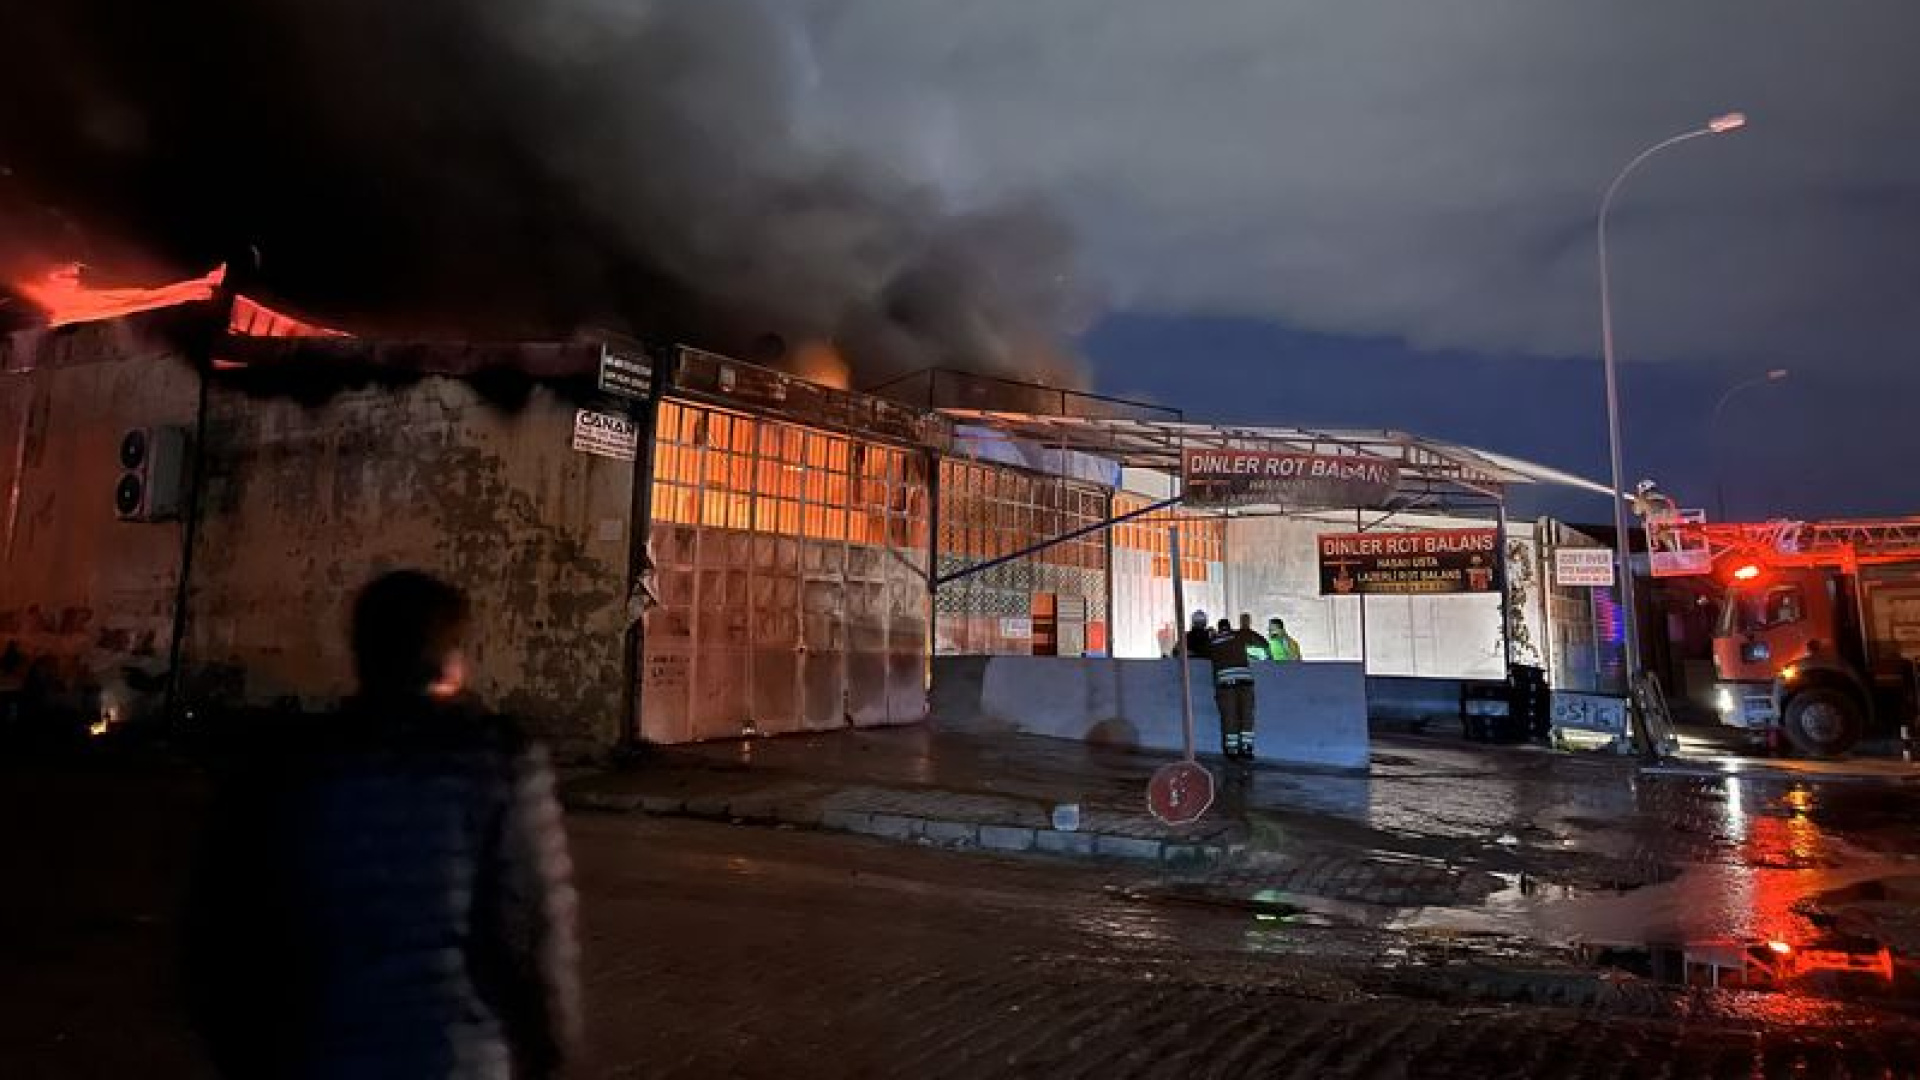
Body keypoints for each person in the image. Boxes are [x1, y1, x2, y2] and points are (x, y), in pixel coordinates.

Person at [187, 570, 582, 1080]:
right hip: (456, 1057)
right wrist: (547, 1049)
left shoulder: (286, 768)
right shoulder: (498, 764)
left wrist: (248, 1055)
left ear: (360, 656)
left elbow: (224, 935)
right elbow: (531, 931)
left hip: (321, 1054)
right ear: (452, 662)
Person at [1208, 615, 1267, 761]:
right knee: (1247, 716)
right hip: (1245, 682)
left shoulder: (1213, 641)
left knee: (1230, 717)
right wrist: (1246, 628)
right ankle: (1247, 749)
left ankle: (1232, 751)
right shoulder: (1239, 635)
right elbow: (1263, 643)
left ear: (1219, 628)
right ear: (1229, 626)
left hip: (1226, 684)